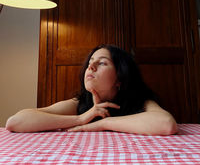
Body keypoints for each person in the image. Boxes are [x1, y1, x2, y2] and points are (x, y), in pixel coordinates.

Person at [6, 44, 177, 135]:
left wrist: (103, 123)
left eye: (102, 62)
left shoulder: (141, 101)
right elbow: (15, 122)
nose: (91, 67)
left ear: (120, 78)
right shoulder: (80, 104)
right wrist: (81, 119)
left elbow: (166, 124)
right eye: (90, 63)